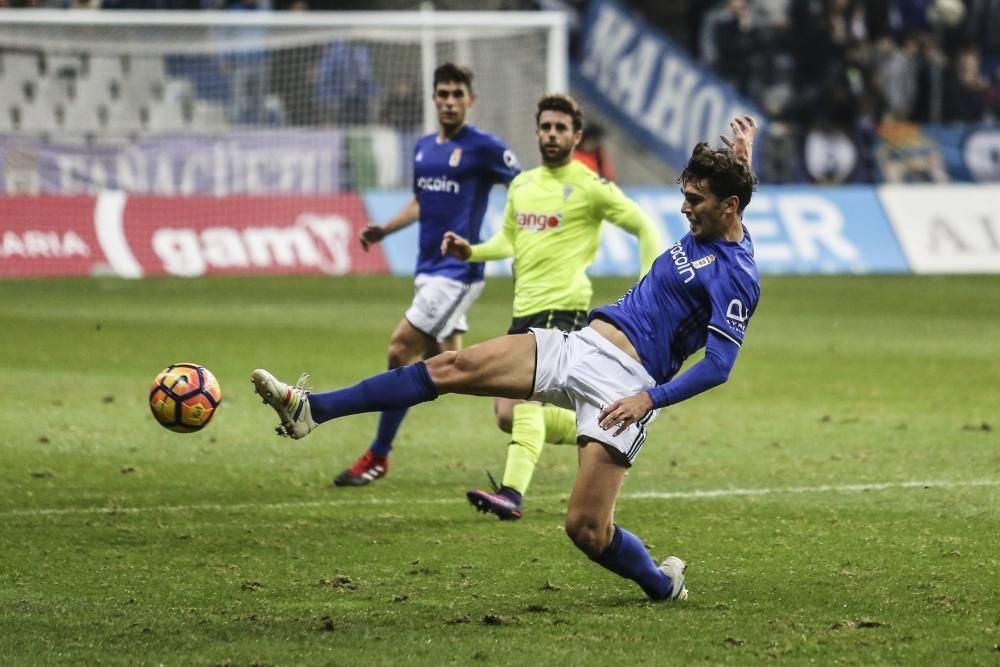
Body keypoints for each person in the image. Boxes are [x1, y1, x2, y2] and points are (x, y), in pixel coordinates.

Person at [251, 115, 760, 602]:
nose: (684, 209)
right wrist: (741, 160)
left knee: (586, 530)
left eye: (695, 200)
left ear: (729, 205)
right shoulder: (714, 224)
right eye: (685, 197)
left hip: (627, 386)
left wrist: (647, 400)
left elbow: (719, 365)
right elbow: (730, 212)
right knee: (451, 367)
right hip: (580, 345)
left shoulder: (737, 276)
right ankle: (311, 409)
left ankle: (661, 584)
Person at [440, 94, 660, 520]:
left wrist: (648, 284)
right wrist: (472, 252)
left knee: (526, 403)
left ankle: (511, 494)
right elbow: (508, 240)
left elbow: (643, 225)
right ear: (537, 132)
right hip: (525, 310)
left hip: (563, 310)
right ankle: (602, 429)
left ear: (576, 136)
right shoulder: (522, 185)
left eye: (561, 128)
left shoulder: (590, 186)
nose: (552, 135)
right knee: (507, 413)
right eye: (546, 127)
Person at [332, 63, 520, 486]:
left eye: (458, 94)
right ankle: (524, 389)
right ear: (434, 98)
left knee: (400, 351)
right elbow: (420, 201)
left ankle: (378, 455)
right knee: (449, 366)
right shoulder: (423, 149)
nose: (450, 102)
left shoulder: (484, 147)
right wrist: (385, 229)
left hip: (458, 272)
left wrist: (516, 233)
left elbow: (525, 186)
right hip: (427, 270)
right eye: (443, 94)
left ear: (471, 100)